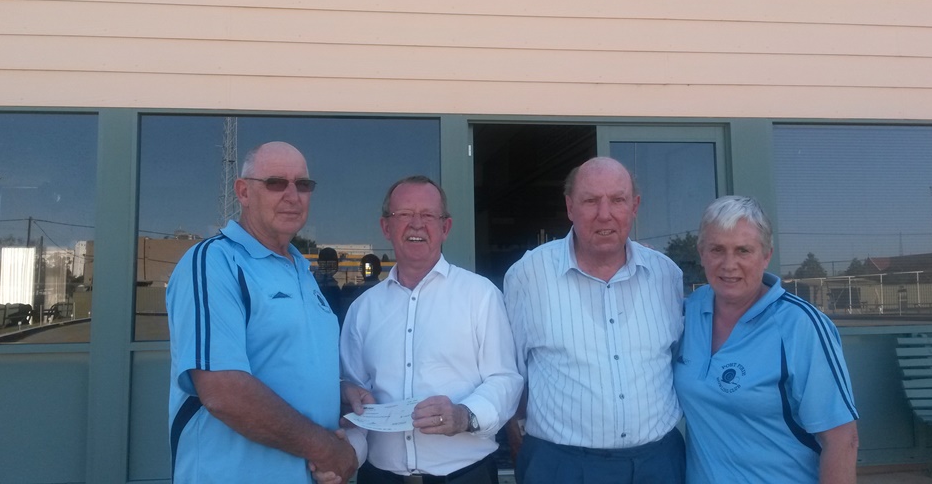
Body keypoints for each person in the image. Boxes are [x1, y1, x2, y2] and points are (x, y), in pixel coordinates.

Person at [166, 141, 357, 484]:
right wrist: (324, 448)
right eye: (275, 183)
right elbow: (224, 391)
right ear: (242, 192)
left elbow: (289, 362)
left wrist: (338, 391)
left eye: (303, 185)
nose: (292, 195)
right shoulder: (214, 261)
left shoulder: (302, 270)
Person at [503, 156, 686, 484]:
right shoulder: (527, 275)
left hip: (657, 464)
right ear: (570, 207)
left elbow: (674, 360)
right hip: (561, 466)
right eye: (591, 201)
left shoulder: (666, 275)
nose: (605, 214)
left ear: (635, 206)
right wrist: (517, 431)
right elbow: (511, 370)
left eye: (618, 200)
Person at [340, 175, 524, 484]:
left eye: (427, 215)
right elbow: (357, 404)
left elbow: (505, 379)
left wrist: (464, 415)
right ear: (386, 227)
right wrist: (346, 457)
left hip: (467, 476)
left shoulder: (480, 295)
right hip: (380, 477)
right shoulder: (363, 310)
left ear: (445, 227)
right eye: (404, 215)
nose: (416, 225)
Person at [673, 195, 859, 484]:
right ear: (701, 252)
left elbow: (842, 440)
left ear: (766, 255)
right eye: (717, 249)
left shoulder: (800, 325)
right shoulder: (689, 312)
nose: (729, 264)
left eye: (743, 250)